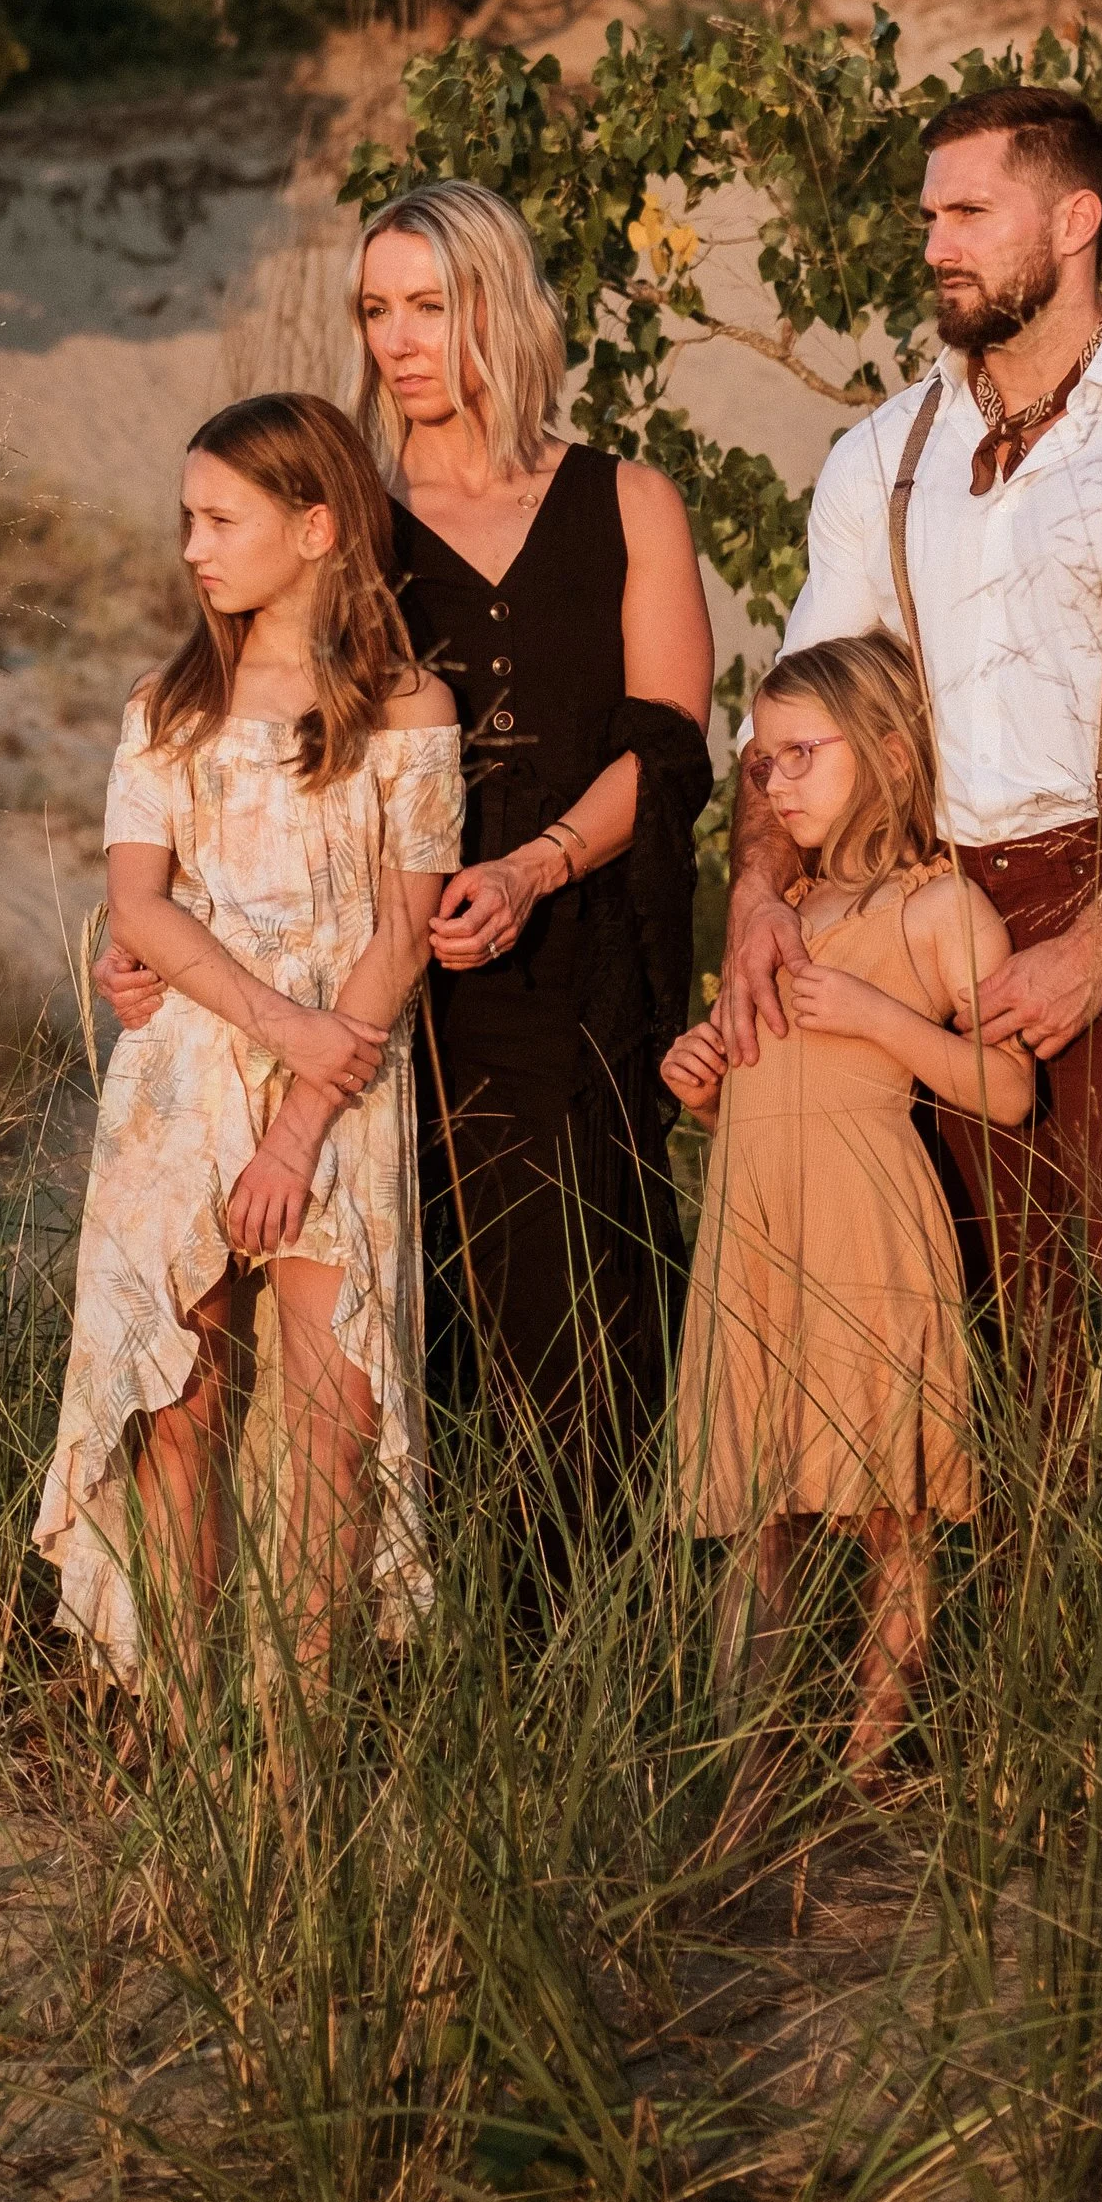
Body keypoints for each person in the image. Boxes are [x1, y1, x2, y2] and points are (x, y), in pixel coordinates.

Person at [722, 86, 1102, 1351]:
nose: (937, 244)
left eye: (971, 212)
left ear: (1074, 220)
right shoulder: (882, 453)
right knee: (946, 1338)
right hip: (916, 922)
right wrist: (760, 902)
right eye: (930, 214)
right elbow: (793, 717)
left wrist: (1093, 950)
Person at [36, 393, 463, 1682]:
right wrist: (280, 1025)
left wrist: (299, 1113)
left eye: (224, 519)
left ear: (318, 526)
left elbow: (405, 926)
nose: (195, 548)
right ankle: (178, 1729)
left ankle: (293, 1753)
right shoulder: (166, 704)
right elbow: (136, 904)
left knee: (338, 1415)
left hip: (344, 1086)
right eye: (186, 519)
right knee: (183, 1407)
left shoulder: (406, 707)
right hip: (184, 1074)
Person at [363, 183, 714, 1491]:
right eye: (376, 309)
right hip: (398, 975)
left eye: (429, 305)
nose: (398, 340)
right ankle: (433, 1650)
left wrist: (534, 863)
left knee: (589, 1290)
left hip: (580, 956)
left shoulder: (629, 503)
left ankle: (599, 1634)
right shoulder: (348, 526)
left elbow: (671, 742)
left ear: (497, 311)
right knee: (415, 1295)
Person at [664, 631, 1032, 1779]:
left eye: (797, 756)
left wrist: (878, 1015)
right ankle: (746, 1753)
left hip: (869, 1220)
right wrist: (705, 1089)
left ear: (883, 750)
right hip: (757, 1219)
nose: (771, 783)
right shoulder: (778, 919)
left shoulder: (936, 909)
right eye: (760, 762)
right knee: (755, 1497)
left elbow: (1007, 1091)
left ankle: (875, 1751)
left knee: (888, 1504)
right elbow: (771, 1095)